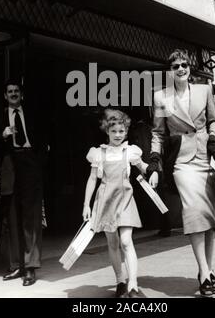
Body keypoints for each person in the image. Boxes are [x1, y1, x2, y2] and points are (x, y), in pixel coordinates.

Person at [146, 49, 215, 297]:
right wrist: (155, 161)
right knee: (193, 212)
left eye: (184, 65)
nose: (181, 69)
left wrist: (214, 137)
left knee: (208, 215)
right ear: (169, 71)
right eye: (175, 66)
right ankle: (204, 271)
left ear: (190, 68)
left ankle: (207, 271)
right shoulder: (160, 97)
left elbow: (213, 120)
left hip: (205, 156)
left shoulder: (205, 90)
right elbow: (158, 133)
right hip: (181, 161)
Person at [83, 109, 158, 298]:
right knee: (113, 243)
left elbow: (143, 167)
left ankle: (133, 284)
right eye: (114, 131)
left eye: (122, 131)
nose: (118, 135)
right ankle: (120, 281)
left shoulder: (130, 151)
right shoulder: (98, 153)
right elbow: (92, 180)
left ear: (126, 131)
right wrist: (86, 205)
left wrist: (153, 171)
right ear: (107, 131)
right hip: (106, 201)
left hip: (125, 200)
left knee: (126, 241)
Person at [0, 80, 46, 286]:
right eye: (10, 92)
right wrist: (2, 135)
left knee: (31, 216)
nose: (13, 94)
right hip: (9, 164)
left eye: (16, 91)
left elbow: (45, 138)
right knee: (12, 216)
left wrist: (39, 161)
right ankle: (16, 265)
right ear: (5, 96)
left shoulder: (33, 113)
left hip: (30, 163)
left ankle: (31, 267)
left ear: (21, 95)